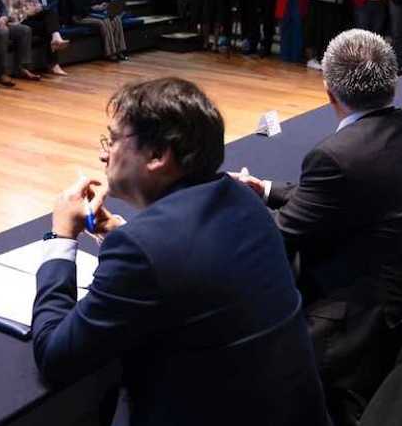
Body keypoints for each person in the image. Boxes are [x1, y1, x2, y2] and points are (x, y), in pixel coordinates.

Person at [33, 77, 328, 426]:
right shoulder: (242, 199)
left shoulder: (143, 250)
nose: (103, 153)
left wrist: (61, 236)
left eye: (112, 140)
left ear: (158, 155)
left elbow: (56, 357)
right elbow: (190, 262)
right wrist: (123, 233)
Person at [232, 30, 402, 416]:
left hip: (358, 321)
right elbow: (338, 197)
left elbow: (277, 240)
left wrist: (228, 210)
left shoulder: (335, 155)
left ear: (328, 89)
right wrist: (264, 189)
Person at [0, 0, 69, 76]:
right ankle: (54, 63)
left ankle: (55, 38)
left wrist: (33, 9)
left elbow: (37, 4)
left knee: (50, 12)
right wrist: (27, 11)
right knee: (48, 28)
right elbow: (10, 11)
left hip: (33, 17)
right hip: (18, 21)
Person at [63, 0, 127, 61]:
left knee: (116, 19)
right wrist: (94, 8)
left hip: (90, 13)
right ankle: (110, 52)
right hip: (79, 17)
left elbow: (93, 2)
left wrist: (100, 6)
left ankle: (120, 50)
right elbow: (79, 9)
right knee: (104, 21)